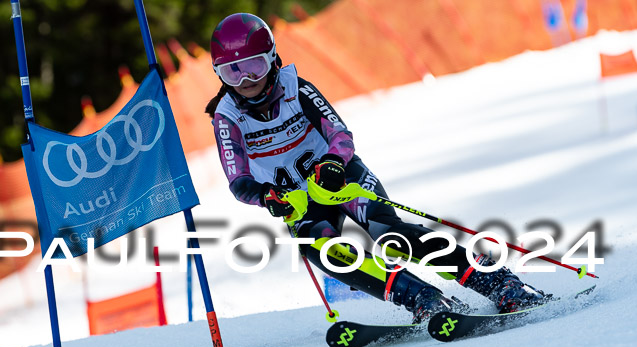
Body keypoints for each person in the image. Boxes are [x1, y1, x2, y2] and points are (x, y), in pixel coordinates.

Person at [206, 13, 547, 322]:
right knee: (327, 250)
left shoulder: (298, 89)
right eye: (231, 71)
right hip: (295, 199)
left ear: (273, 60)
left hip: (337, 179)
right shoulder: (227, 117)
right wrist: (266, 197)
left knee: (391, 237)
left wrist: (333, 163)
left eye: (255, 66)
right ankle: (423, 299)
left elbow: (339, 134)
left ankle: (499, 284)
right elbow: (239, 180)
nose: (246, 79)